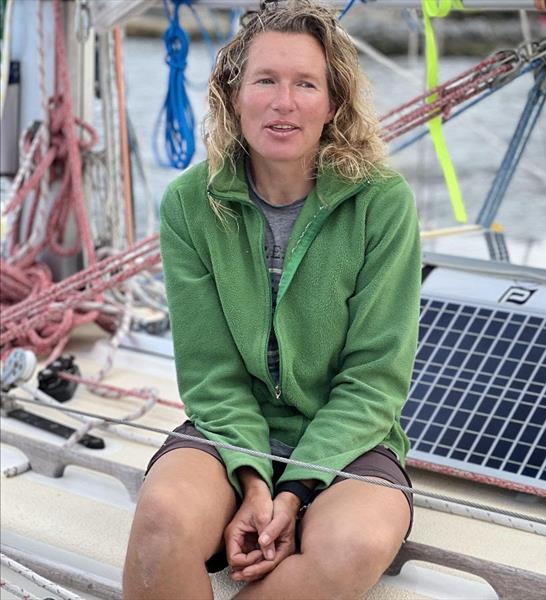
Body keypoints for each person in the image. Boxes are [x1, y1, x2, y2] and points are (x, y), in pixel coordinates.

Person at [122, 1, 420, 598]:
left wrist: (296, 489)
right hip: (228, 430)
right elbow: (211, 373)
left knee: (352, 545)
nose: (284, 102)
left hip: (350, 442)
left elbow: (374, 378)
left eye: (305, 83)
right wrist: (255, 481)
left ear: (332, 102)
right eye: (265, 80)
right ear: (234, 94)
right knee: (162, 524)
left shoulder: (381, 203)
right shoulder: (191, 203)